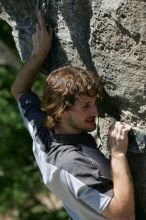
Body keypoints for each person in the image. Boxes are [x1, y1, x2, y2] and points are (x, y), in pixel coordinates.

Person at [11, 11, 135, 220]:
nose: (95, 112)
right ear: (60, 109)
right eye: (86, 106)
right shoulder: (73, 163)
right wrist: (118, 155)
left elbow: (19, 91)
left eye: (94, 103)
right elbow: (122, 213)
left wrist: (39, 53)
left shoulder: (43, 133)